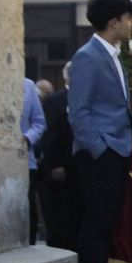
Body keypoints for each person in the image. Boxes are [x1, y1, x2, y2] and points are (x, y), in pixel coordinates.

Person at [67, 0, 132, 263]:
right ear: (113, 21)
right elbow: (78, 111)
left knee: (109, 217)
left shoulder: (111, 54)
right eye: (128, 19)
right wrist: (99, 148)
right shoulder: (88, 56)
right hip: (100, 151)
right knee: (97, 219)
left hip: (118, 146)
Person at [36, 63, 81, 251]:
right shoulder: (54, 101)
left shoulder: (89, 98)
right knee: (60, 220)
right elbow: (50, 135)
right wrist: (54, 165)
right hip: (60, 169)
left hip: (81, 168)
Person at [21, 77, 46, 244]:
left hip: (25, 158)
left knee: (28, 206)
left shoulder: (28, 85)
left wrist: (27, 138)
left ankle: (29, 244)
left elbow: (39, 123)